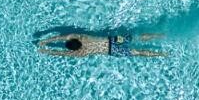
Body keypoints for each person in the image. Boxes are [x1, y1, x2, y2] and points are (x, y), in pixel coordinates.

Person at [37, 32, 167, 58]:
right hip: (113, 40)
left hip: (112, 51)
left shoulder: (80, 53)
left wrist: (47, 51)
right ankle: (160, 35)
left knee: (138, 52)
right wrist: (46, 40)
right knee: (136, 38)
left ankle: (161, 54)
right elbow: (63, 37)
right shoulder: (82, 37)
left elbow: (62, 53)